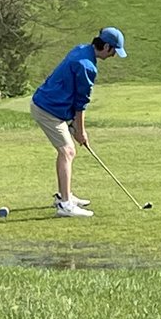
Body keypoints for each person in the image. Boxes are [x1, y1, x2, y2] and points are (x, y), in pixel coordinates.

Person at [30, 27, 127, 217]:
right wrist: (80, 131)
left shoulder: (82, 49)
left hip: (51, 105)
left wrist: (74, 125)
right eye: (114, 51)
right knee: (68, 151)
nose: (114, 55)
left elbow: (72, 94)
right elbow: (80, 103)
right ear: (106, 47)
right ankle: (65, 205)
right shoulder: (86, 66)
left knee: (66, 150)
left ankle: (64, 196)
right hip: (47, 109)